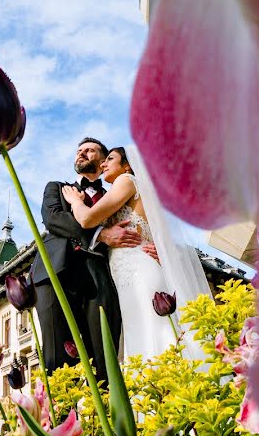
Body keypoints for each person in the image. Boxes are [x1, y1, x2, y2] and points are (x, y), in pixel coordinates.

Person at [62, 145, 211, 360]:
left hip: (139, 270)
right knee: (147, 330)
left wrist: (75, 201)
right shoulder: (136, 190)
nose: (103, 164)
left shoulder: (126, 181)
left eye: (110, 159)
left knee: (152, 331)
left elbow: (87, 219)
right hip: (130, 274)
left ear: (127, 166)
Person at [30, 137, 154, 383]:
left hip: (101, 278)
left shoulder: (117, 193)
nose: (82, 153)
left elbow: (142, 222)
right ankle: (63, 418)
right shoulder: (58, 187)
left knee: (104, 355)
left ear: (104, 159)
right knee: (58, 357)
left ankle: (106, 416)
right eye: (79, 151)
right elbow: (53, 219)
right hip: (58, 272)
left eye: (90, 150)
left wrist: (155, 248)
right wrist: (102, 234)